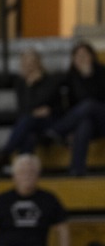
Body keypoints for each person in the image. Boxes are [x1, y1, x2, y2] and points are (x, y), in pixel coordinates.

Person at [0, 49, 61, 170]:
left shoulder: (50, 80)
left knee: (27, 120)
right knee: (28, 136)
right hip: (30, 125)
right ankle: (24, 171)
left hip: (50, 124)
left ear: (39, 63)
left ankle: (6, 153)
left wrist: (37, 109)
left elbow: (54, 106)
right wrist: (30, 86)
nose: (30, 67)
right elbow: (23, 109)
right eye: (26, 63)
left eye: (32, 63)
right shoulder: (21, 83)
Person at [46, 42, 105, 176]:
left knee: (89, 104)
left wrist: (88, 77)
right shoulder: (70, 77)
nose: (81, 59)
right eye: (78, 56)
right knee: (85, 124)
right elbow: (69, 107)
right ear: (73, 60)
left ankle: (57, 130)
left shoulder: (102, 73)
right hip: (90, 123)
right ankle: (76, 170)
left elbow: (97, 98)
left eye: (84, 55)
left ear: (92, 56)